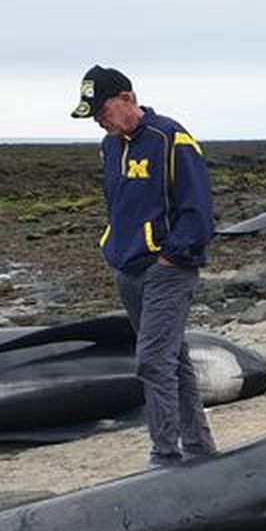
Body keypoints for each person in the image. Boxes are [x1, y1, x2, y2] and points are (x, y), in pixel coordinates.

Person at [69, 65, 216, 468]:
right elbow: (118, 204)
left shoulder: (171, 139)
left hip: (168, 269)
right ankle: (200, 449)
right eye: (94, 114)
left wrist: (171, 255)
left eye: (103, 109)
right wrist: (113, 247)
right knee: (174, 359)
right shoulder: (110, 146)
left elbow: (199, 212)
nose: (100, 119)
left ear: (127, 99)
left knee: (152, 361)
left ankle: (164, 455)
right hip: (127, 268)